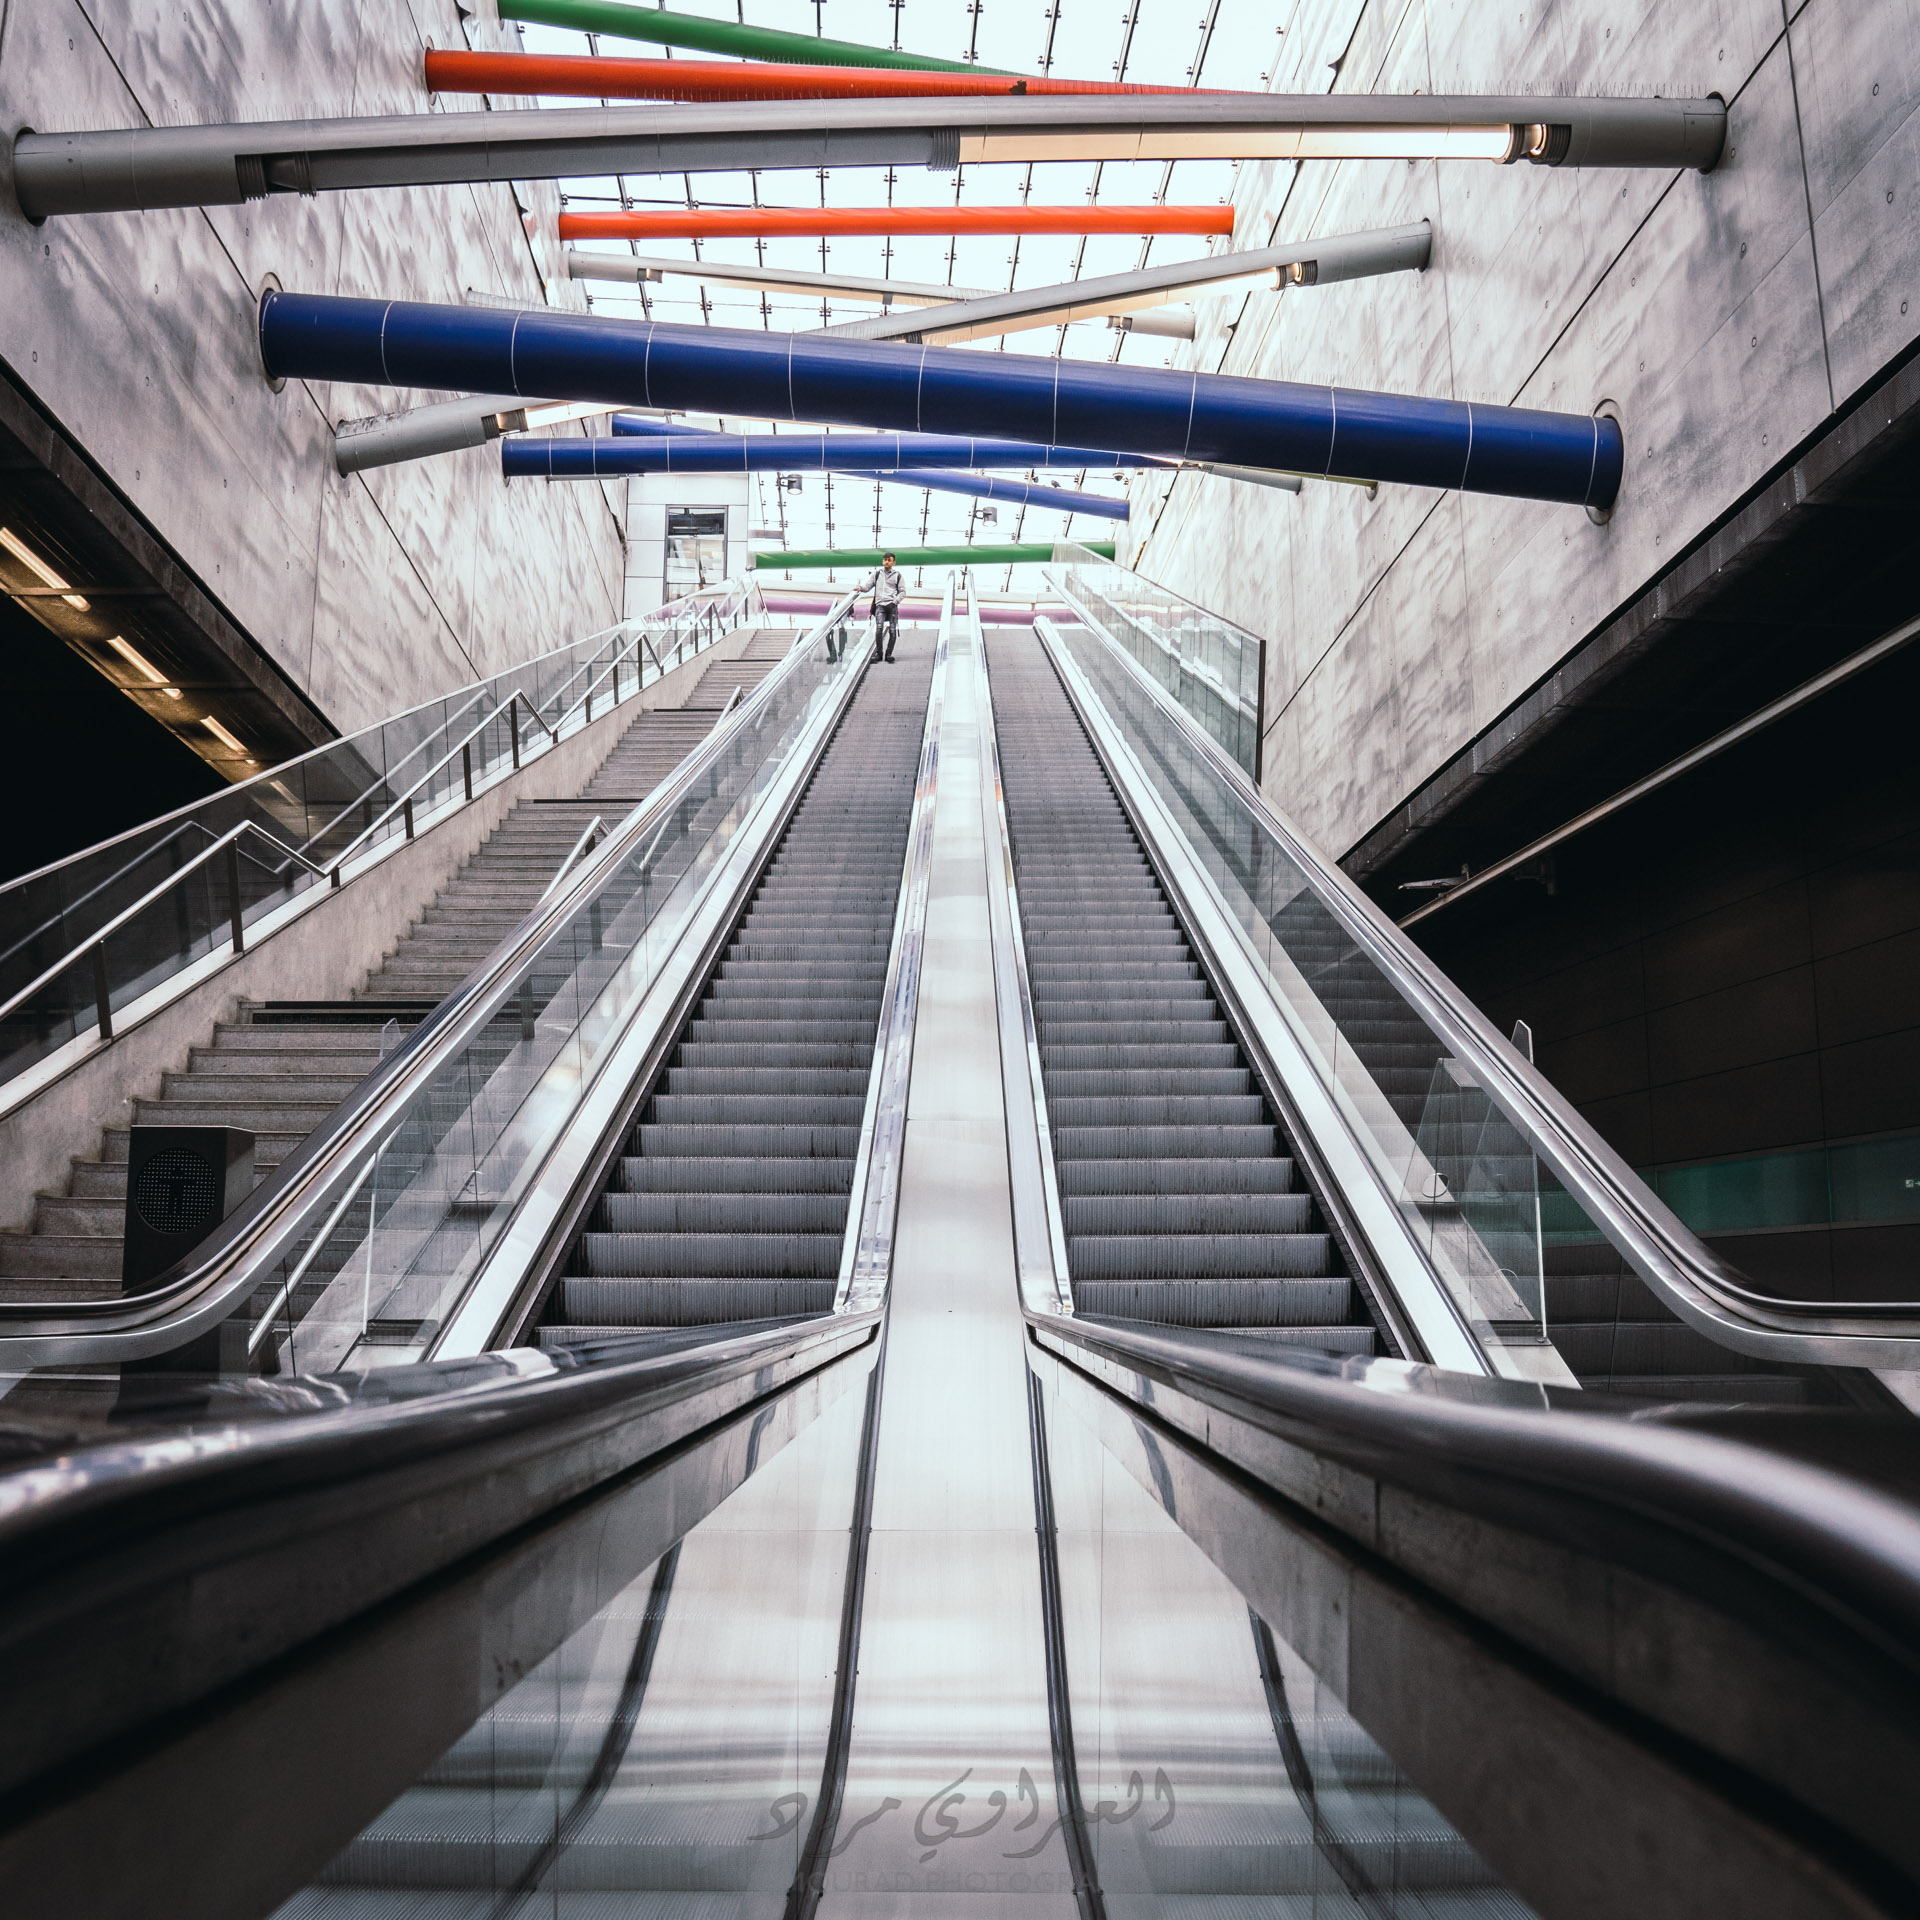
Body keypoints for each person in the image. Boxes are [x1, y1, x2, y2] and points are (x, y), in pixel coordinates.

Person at [864, 554, 904, 662]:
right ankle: (879, 653)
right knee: (879, 629)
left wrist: (895, 601)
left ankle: (888, 654)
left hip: (892, 606)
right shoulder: (877, 574)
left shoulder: (898, 575)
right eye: (885, 560)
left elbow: (903, 592)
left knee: (892, 631)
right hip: (880, 605)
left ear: (893, 562)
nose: (886, 562)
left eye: (889, 560)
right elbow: (867, 586)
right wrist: (860, 588)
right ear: (882, 561)